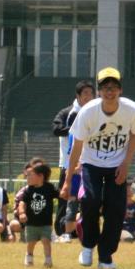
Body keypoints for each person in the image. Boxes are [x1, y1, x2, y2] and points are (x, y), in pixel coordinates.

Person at [64, 67, 135, 269]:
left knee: (116, 209)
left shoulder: (132, 109)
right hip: (91, 162)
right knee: (90, 200)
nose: (110, 92)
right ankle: (88, 246)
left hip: (117, 165)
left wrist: (126, 163)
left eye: (114, 87)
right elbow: (77, 145)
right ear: (99, 91)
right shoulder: (88, 111)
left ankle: (106, 257)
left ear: (121, 90)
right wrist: (67, 181)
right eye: (106, 87)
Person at [51, 80, 93, 238]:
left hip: (89, 164)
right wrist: (78, 128)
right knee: (66, 198)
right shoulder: (68, 112)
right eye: (85, 94)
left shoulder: (96, 112)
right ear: (78, 96)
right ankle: (61, 231)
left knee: (86, 199)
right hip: (68, 164)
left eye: (91, 93)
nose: (88, 97)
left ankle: (78, 231)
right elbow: (56, 129)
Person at [15, 158, 58, 268]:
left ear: (40, 176)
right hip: (31, 223)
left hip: (45, 223)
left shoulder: (49, 188)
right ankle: (29, 256)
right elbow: (22, 203)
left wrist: (67, 192)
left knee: (46, 240)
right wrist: (22, 213)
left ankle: (48, 260)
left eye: (30, 175)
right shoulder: (28, 190)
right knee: (31, 243)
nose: (27, 178)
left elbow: (60, 195)